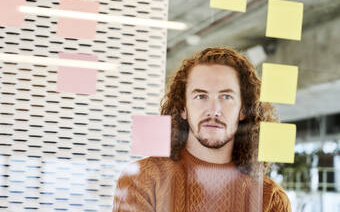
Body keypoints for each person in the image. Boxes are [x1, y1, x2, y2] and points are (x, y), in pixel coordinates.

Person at [113, 47, 291, 212]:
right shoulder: (142, 180)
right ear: (183, 108)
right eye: (201, 96)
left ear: (243, 110)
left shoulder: (271, 200)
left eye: (226, 96)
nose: (214, 110)